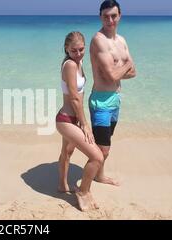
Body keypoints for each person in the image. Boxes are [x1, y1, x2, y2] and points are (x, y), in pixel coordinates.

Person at [89, 0, 136, 186]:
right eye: (106, 16)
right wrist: (125, 65)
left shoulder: (122, 41)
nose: (110, 20)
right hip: (101, 101)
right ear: (100, 17)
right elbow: (110, 77)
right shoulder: (98, 40)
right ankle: (85, 187)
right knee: (103, 149)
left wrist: (119, 70)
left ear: (120, 16)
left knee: (105, 144)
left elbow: (134, 73)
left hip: (116, 99)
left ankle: (99, 175)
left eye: (113, 16)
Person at [56, 31, 104, 211]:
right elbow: (75, 98)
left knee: (67, 152)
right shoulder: (69, 64)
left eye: (81, 49)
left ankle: (62, 185)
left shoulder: (79, 61)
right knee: (97, 156)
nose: (78, 53)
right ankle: (83, 192)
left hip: (72, 119)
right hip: (66, 120)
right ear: (66, 49)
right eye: (73, 50)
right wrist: (84, 124)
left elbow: (81, 89)